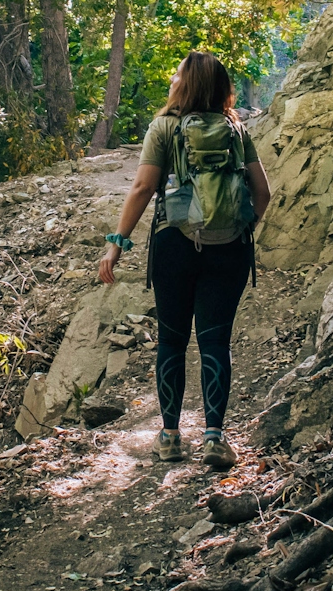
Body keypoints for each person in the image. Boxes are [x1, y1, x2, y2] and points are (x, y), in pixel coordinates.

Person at [98, 51, 271, 469]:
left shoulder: (164, 127)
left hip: (174, 245)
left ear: (186, 84)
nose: (173, 80)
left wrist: (116, 244)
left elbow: (142, 188)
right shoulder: (235, 128)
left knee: (172, 340)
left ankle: (170, 437)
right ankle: (214, 437)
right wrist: (238, 229)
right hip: (228, 249)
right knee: (215, 340)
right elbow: (262, 192)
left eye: (177, 75)